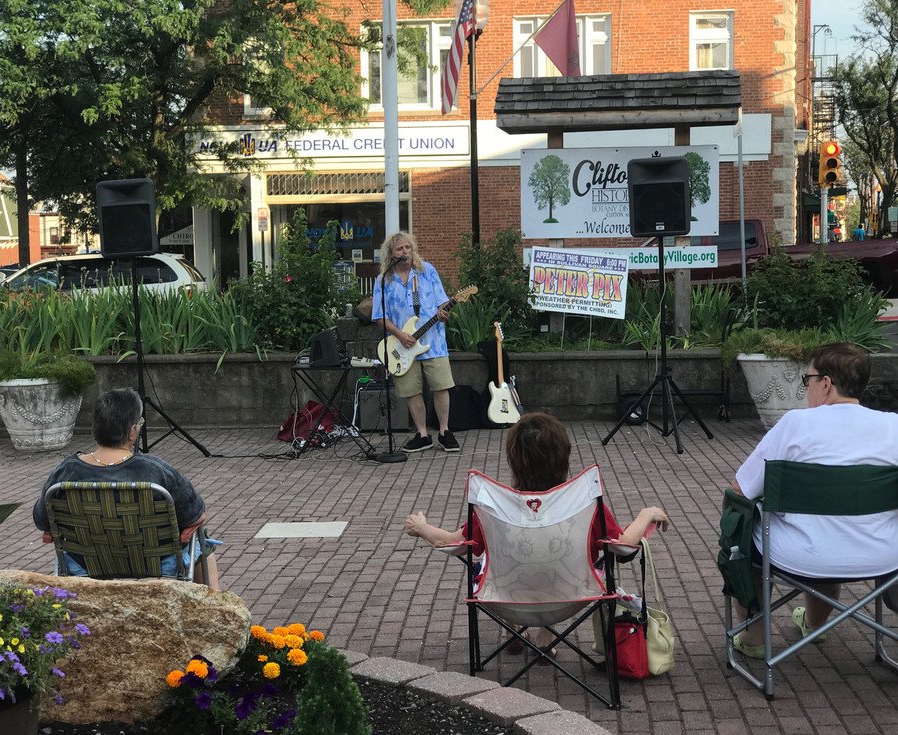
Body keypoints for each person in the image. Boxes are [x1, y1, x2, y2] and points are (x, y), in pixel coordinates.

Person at [405, 412, 669, 651]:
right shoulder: (584, 503)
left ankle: (515, 630)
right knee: (556, 557)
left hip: (508, 600)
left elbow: (454, 545)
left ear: (514, 460)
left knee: (489, 563)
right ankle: (545, 637)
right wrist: (646, 514)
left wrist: (422, 528)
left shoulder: (495, 508)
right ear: (563, 457)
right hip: (571, 597)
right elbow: (624, 546)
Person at [728, 342, 898, 658]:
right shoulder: (893, 426)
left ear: (826, 383)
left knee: (741, 528)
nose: (806, 388)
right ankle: (813, 624)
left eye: (808, 380)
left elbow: (740, 489)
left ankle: (753, 638)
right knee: (832, 530)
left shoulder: (795, 424)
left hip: (800, 554)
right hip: (882, 555)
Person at [33, 388, 221, 589]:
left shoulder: (66, 471)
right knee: (202, 541)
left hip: (85, 562)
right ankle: (215, 605)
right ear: (132, 432)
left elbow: (42, 520)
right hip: (156, 561)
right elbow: (197, 515)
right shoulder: (156, 471)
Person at [372, 231, 458, 453]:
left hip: (434, 342)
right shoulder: (383, 280)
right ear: (391, 254)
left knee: (441, 386)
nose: (405, 252)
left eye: (408, 247)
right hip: (402, 345)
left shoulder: (426, 271)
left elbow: (442, 302)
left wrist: (443, 312)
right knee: (412, 391)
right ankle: (422, 435)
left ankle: (444, 431)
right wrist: (400, 335)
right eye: (400, 249)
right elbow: (379, 316)